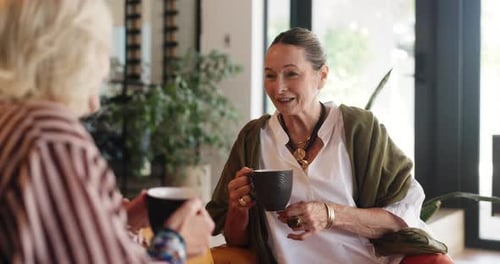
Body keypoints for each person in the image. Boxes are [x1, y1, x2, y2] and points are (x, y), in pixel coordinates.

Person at [206, 27, 449, 264]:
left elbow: (404, 212)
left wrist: (330, 214)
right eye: (270, 75)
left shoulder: (357, 129)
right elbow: (236, 240)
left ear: (321, 76)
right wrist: (239, 208)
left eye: (291, 74)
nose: (278, 87)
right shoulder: (254, 138)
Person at [0, 1, 214, 263]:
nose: (104, 71)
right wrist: (177, 241)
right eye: (101, 50)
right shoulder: (49, 136)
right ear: (72, 54)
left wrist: (112, 217)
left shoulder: (12, 121)